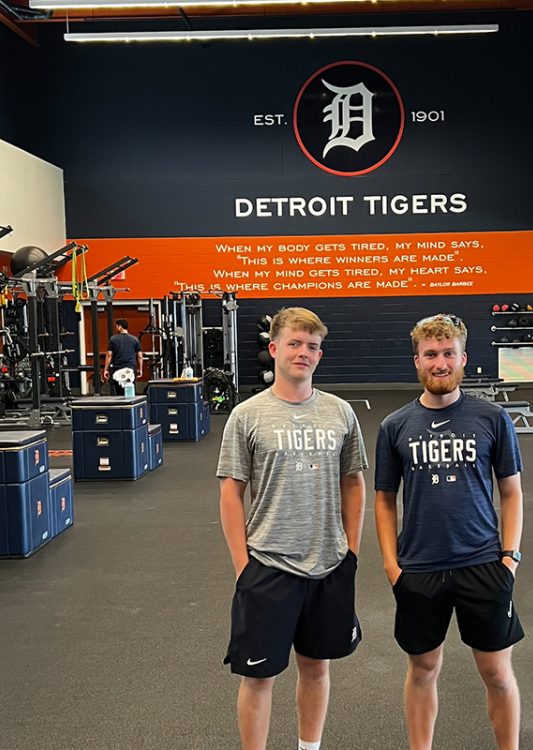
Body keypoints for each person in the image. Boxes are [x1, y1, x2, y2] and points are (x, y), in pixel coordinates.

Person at [217, 307, 367, 750]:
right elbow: (230, 493)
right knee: (259, 676)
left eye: (313, 346)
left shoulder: (341, 413)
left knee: (317, 667)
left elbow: (354, 482)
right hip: (267, 565)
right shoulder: (247, 415)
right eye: (295, 343)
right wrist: (243, 567)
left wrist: (351, 551)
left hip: (329, 565)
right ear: (274, 349)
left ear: (320, 354)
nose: (304, 353)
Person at [374, 314, 524, 750]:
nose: (439, 363)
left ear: (463, 358)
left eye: (448, 354)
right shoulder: (395, 426)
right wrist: (391, 564)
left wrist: (510, 558)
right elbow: (384, 500)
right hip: (419, 568)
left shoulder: (492, 418)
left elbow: (512, 493)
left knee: (497, 673)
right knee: (423, 670)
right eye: (430, 355)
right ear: (416, 361)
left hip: (483, 563)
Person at [102, 318, 144, 395]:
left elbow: (109, 355)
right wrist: (140, 369)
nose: (116, 328)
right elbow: (140, 356)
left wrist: (106, 369)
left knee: (119, 393)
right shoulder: (135, 339)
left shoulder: (113, 339)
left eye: (116, 326)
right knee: (130, 391)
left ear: (120, 327)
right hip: (130, 368)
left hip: (117, 368)